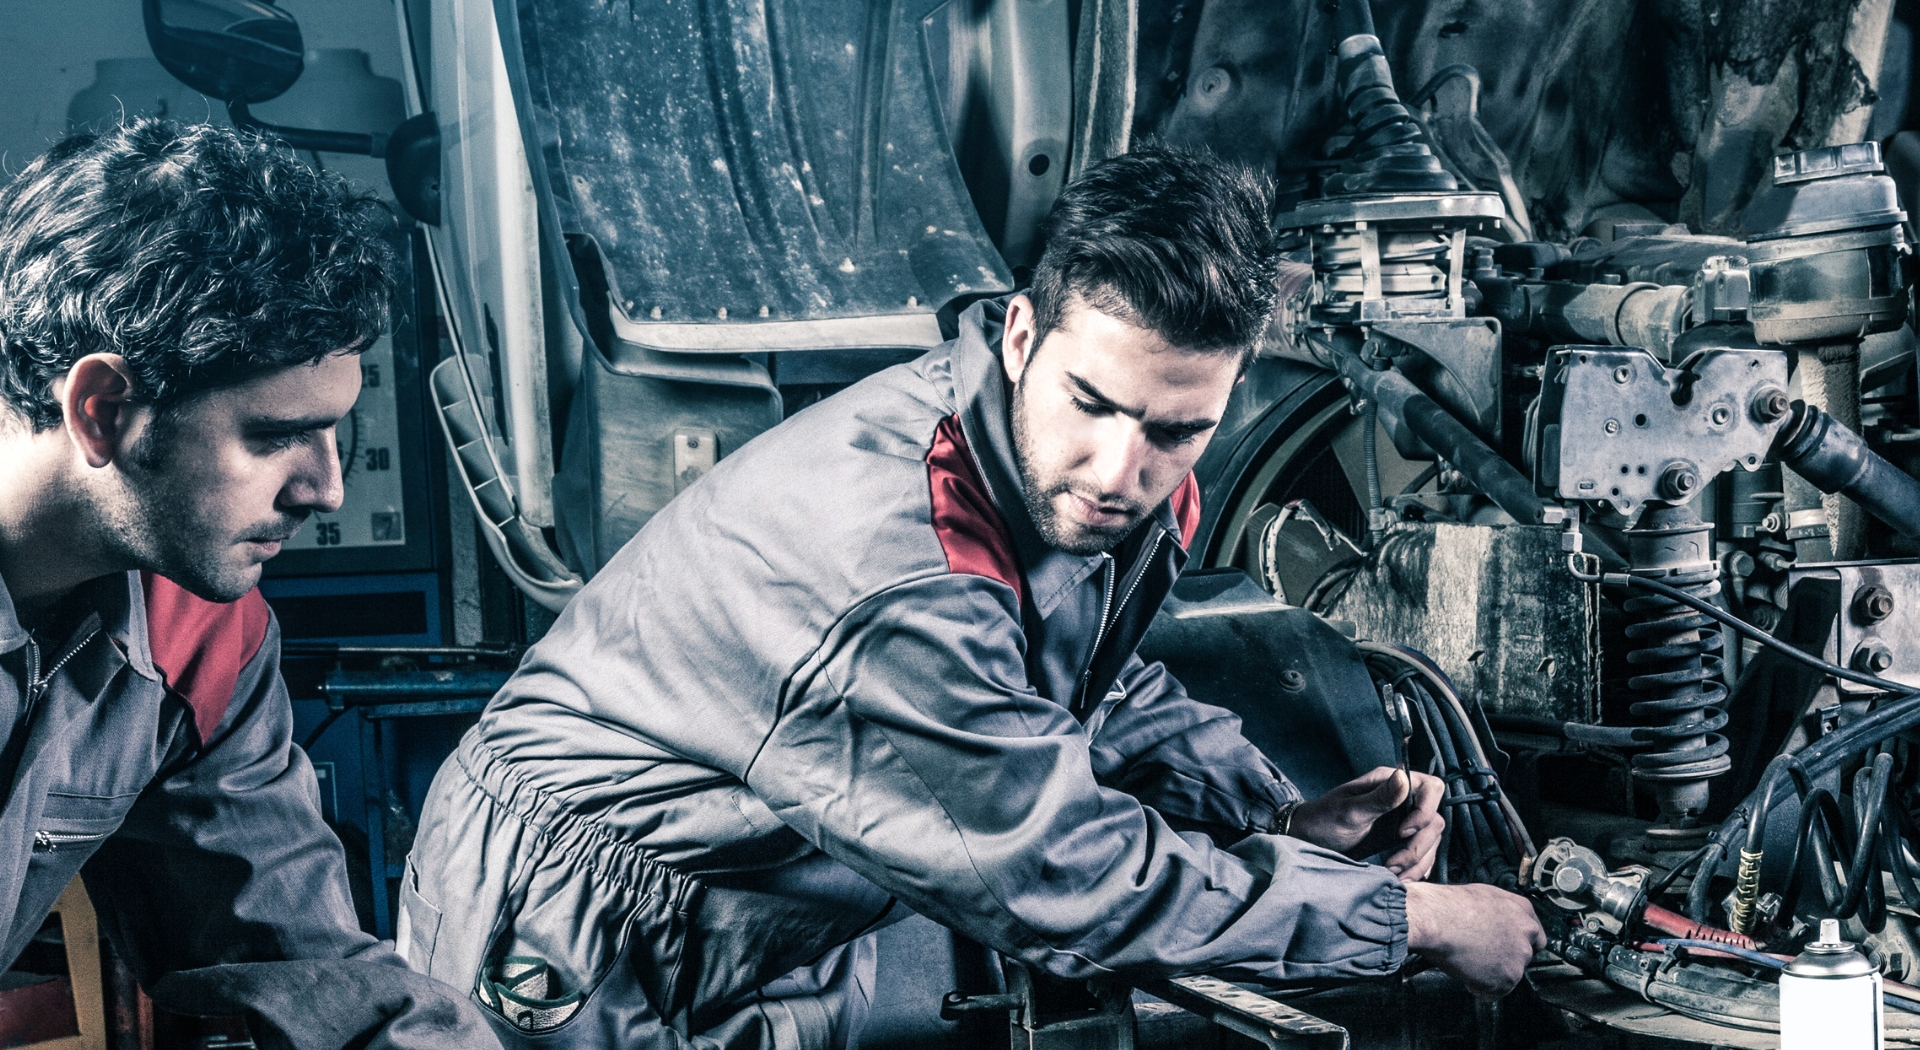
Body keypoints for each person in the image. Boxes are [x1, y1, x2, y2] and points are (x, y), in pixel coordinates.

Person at [401, 145, 1545, 1048]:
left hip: (758, 895)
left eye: (1176, 431)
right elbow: (1065, 875)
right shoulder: (897, 564)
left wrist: (1273, 814)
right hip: (576, 920)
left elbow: (1088, 675)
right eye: (1091, 403)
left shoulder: (1061, 479)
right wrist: (1412, 923)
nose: (1119, 470)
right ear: (1018, 333)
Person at [0, 119, 497, 1047]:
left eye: (333, 432)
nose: (325, 488)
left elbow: (306, 968)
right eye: (273, 435)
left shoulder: (201, 643)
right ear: (104, 412)